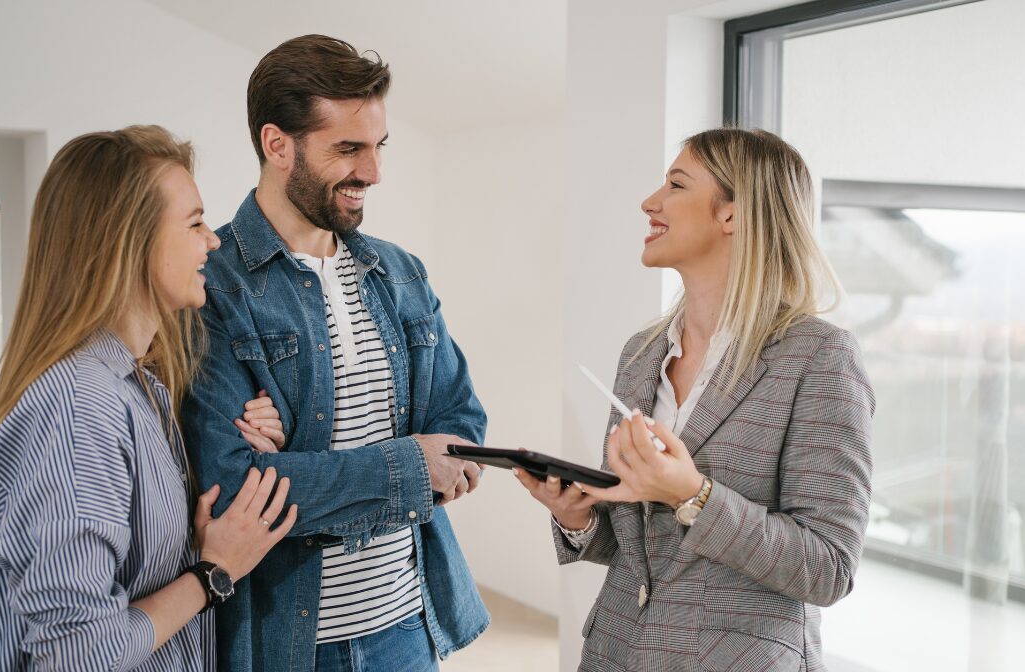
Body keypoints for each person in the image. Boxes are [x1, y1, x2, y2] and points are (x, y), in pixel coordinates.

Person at [180, 35, 488, 671]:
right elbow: (234, 488)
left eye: (377, 147)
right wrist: (409, 467)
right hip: (289, 644)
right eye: (348, 149)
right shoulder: (213, 285)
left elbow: (461, 419)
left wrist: (300, 471)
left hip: (409, 623)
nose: (372, 172)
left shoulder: (400, 273)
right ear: (277, 144)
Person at [0, 125, 297, 671]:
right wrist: (211, 573)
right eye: (195, 222)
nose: (214, 240)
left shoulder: (138, 385)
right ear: (130, 241)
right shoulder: (78, 408)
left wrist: (194, 541)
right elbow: (80, 651)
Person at [517, 128, 875, 672]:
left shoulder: (820, 358)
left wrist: (694, 495)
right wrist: (579, 520)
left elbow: (828, 568)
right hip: (616, 653)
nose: (649, 203)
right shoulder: (641, 354)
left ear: (732, 213)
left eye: (676, 185)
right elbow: (635, 546)